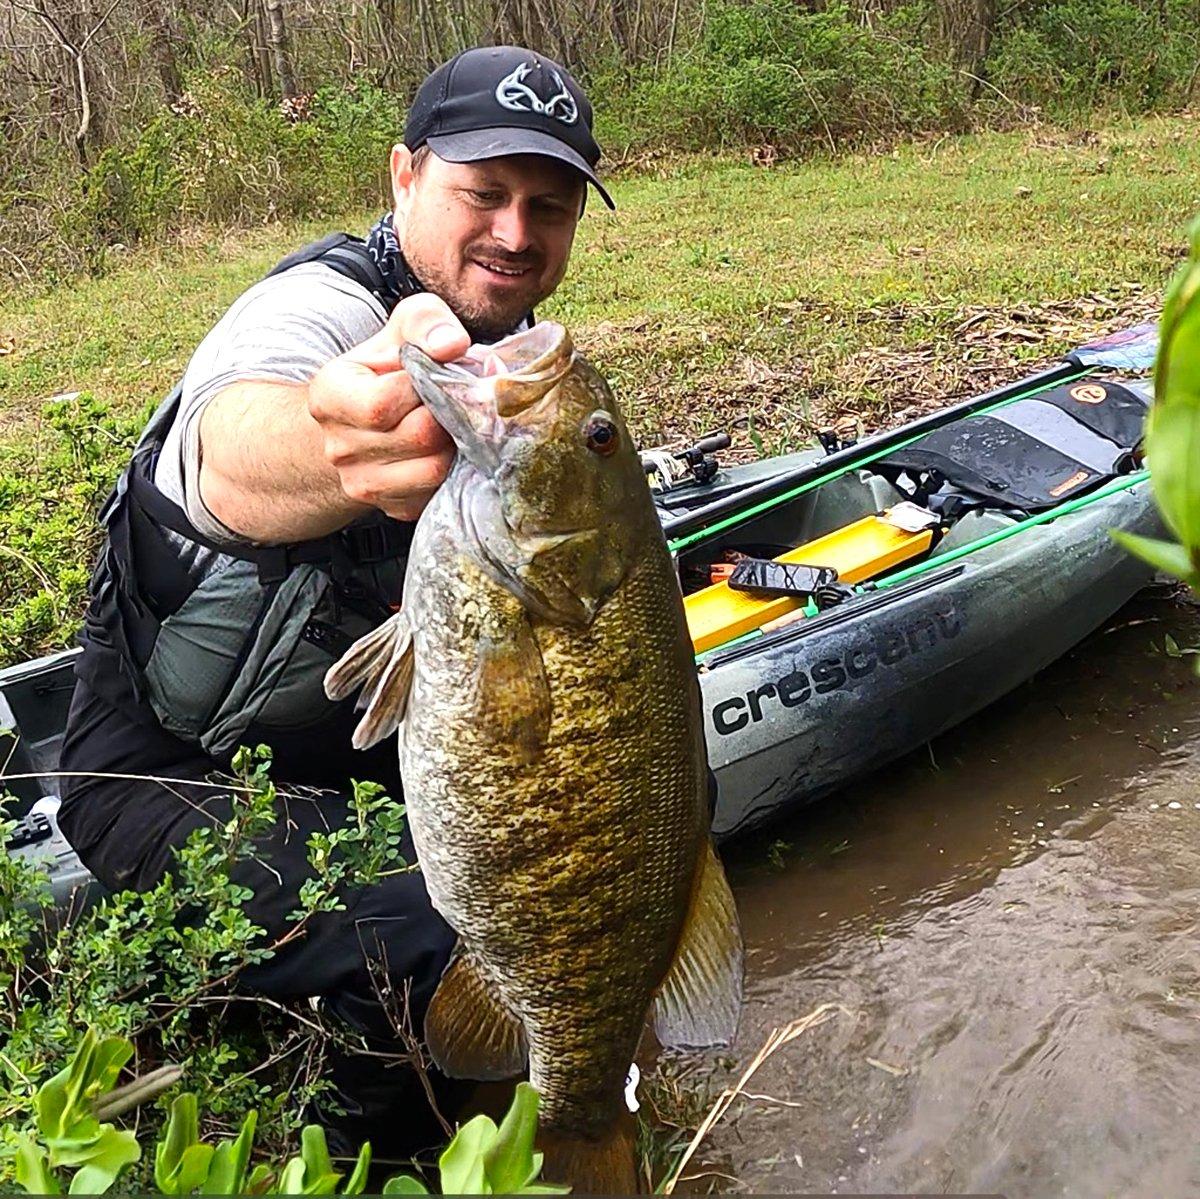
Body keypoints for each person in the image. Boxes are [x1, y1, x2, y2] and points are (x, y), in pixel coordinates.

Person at [56, 45, 615, 1161]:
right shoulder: (309, 312)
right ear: (404, 177)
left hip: (342, 755)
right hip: (165, 776)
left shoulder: (514, 376)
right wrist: (338, 442)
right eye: (483, 193)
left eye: (547, 206)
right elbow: (240, 445)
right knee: (429, 924)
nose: (515, 230)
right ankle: (386, 1161)